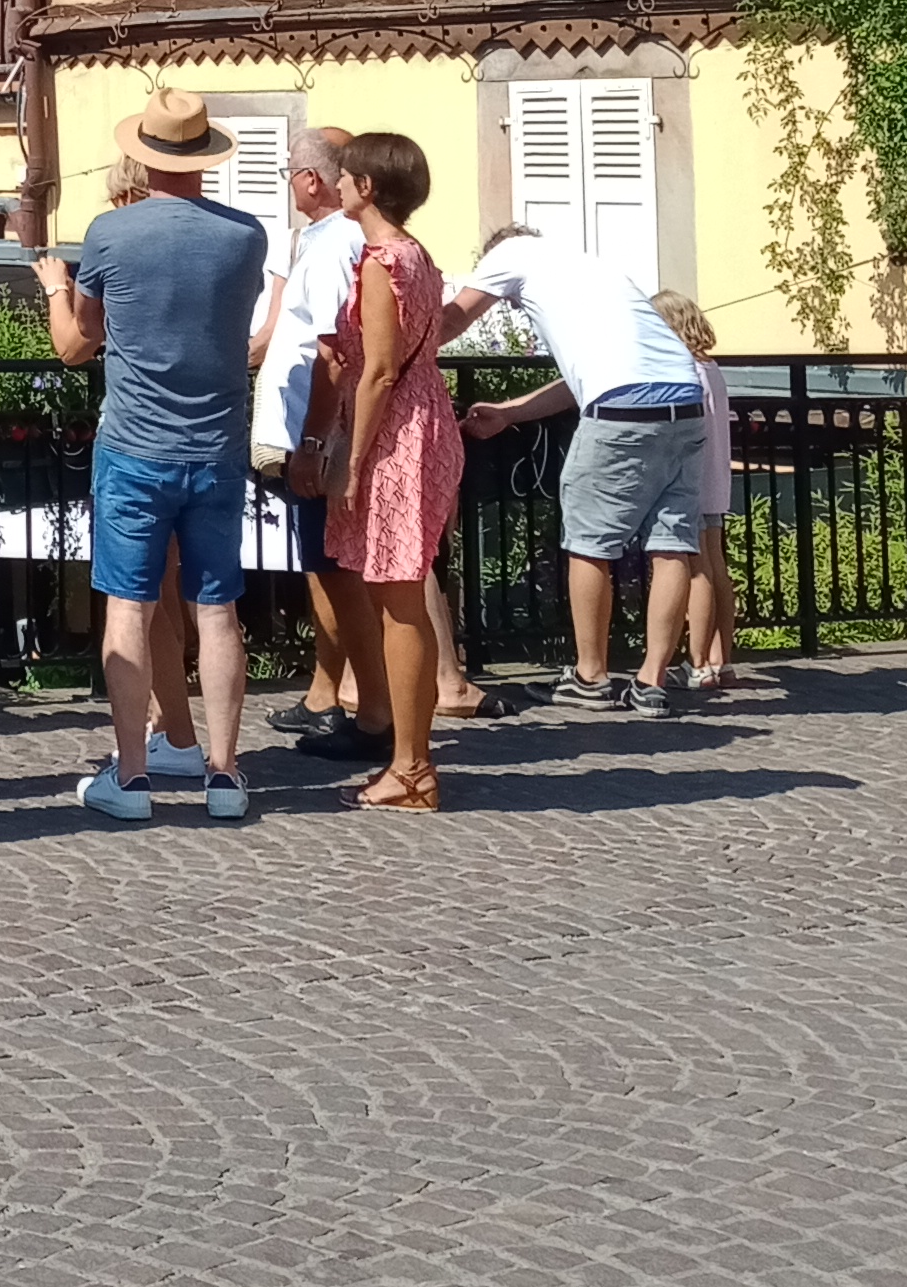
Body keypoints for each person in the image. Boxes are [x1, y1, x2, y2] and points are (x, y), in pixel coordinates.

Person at [48, 90, 268, 824]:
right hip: (218, 444)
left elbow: (81, 338)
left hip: (135, 445)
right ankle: (225, 775)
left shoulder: (111, 232)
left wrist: (57, 290)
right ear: (205, 156)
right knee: (217, 609)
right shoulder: (246, 236)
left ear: (142, 156)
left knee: (129, 607)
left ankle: (133, 777)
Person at [451, 220, 714, 708]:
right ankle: (651, 683)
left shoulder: (508, 255)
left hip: (621, 415)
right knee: (671, 544)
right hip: (687, 403)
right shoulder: (591, 269)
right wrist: (509, 413)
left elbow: (450, 320)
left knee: (589, 544)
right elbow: (586, 382)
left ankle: (590, 677)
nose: (513, 307)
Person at [310, 132, 460, 812]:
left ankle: (412, 766)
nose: (337, 183)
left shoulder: (382, 261)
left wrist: (350, 460)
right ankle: (410, 761)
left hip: (397, 434)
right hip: (425, 420)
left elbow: (376, 370)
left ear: (367, 187)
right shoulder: (416, 256)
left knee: (399, 600)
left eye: (345, 175)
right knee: (402, 595)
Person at [256, 126, 368, 752]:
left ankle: (363, 707)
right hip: (311, 429)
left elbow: (333, 353)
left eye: (289, 173)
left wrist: (314, 443)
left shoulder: (333, 246)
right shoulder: (326, 241)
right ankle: (328, 694)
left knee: (335, 572)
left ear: (310, 179)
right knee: (323, 569)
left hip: (317, 433)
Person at [665, 293, 740, 692]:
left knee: (698, 569)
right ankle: (720, 659)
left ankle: (696, 663)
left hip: (692, 477)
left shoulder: (684, 371)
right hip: (716, 476)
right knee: (716, 565)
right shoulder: (712, 369)